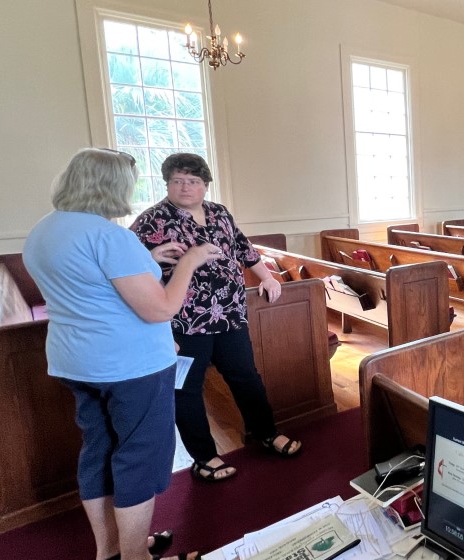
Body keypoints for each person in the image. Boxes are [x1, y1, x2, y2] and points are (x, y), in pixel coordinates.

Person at [23, 148, 216, 560]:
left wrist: (148, 259)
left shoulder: (45, 229)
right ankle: (136, 556)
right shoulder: (110, 236)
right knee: (139, 458)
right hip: (130, 366)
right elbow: (161, 309)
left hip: (76, 360)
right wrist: (190, 262)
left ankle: (110, 550)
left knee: (99, 450)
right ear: (112, 186)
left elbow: (90, 282)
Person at [131, 153, 300, 485]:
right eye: (177, 180)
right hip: (184, 320)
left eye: (193, 181)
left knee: (246, 376)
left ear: (205, 185)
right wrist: (151, 257)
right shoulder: (152, 219)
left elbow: (244, 249)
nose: (185, 187)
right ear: (167, 184)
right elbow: (129, 266)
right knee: (186, 388)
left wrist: (267, 277)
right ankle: (203, 457)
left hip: (230, 314)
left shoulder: (219, 212)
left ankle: (266, 433)